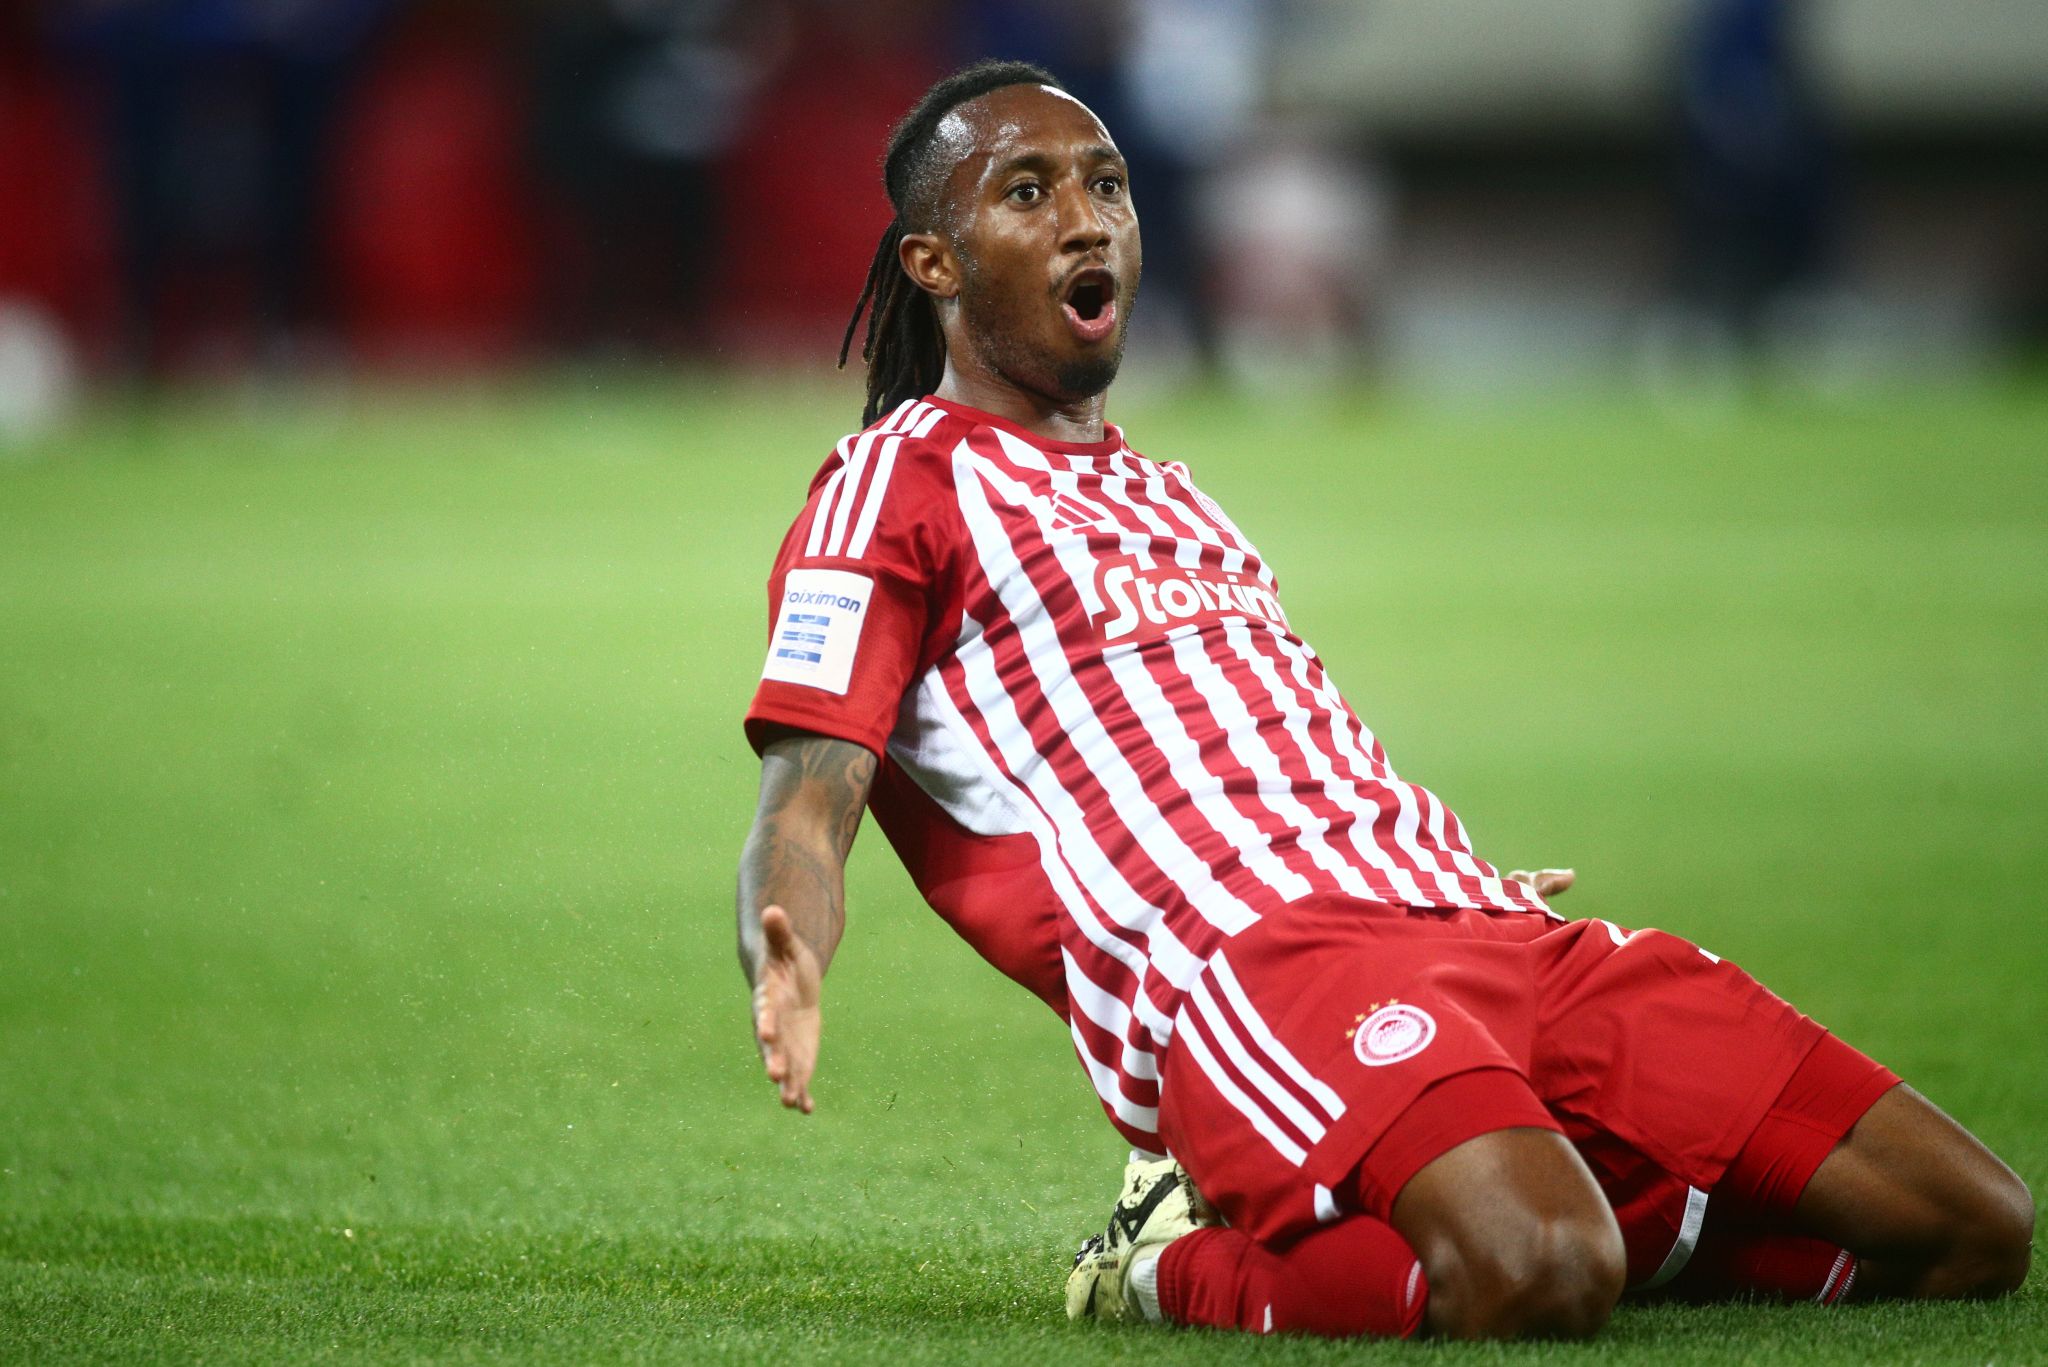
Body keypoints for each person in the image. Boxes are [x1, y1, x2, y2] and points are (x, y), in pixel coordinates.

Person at [733, 60, 2032, 1340]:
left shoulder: (1174, 497)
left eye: (1107, 185)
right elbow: (807, 791)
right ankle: (1164, 1263)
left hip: (1480, 924)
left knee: (1971, 1225)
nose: (1087, 220)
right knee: (1539, 1270)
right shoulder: (890, 488)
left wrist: (1422, 869)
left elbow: (1260, 744)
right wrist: (786, 937)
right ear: (935, 263)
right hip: (1262, 963)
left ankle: (1514, 1211)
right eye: (1028, 192)